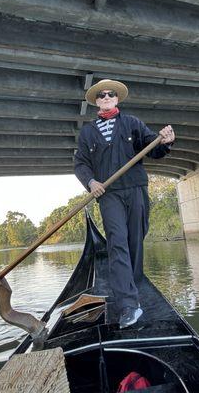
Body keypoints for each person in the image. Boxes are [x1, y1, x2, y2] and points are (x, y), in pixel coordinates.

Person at [74, 79, 175, 328]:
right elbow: (81, 164)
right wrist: (91, 182)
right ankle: (128, 305)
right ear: (96, 101)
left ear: (117, 99)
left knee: (134, 244)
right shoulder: (88, 132)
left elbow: (154, 148)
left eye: (111, 94)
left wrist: (165, 141)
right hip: (109, 195)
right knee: (117, 244)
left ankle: (134, 283)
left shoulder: (132, 123)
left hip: (136, 190)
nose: (106, 96)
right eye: (101, 95)